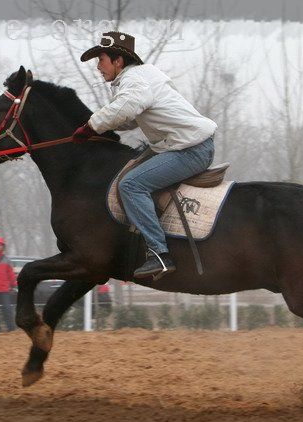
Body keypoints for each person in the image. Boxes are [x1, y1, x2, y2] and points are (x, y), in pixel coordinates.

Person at [74, 31, 217, 280]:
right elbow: (131, 119)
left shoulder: (134, 80)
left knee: (130, 184)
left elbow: (126, 108)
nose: (98, 67)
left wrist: (92, 126)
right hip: (183, 144)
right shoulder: (140, 78)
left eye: (102, 59)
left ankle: (160, 254)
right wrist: (100, 128)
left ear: (119, 61)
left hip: (191, 150)